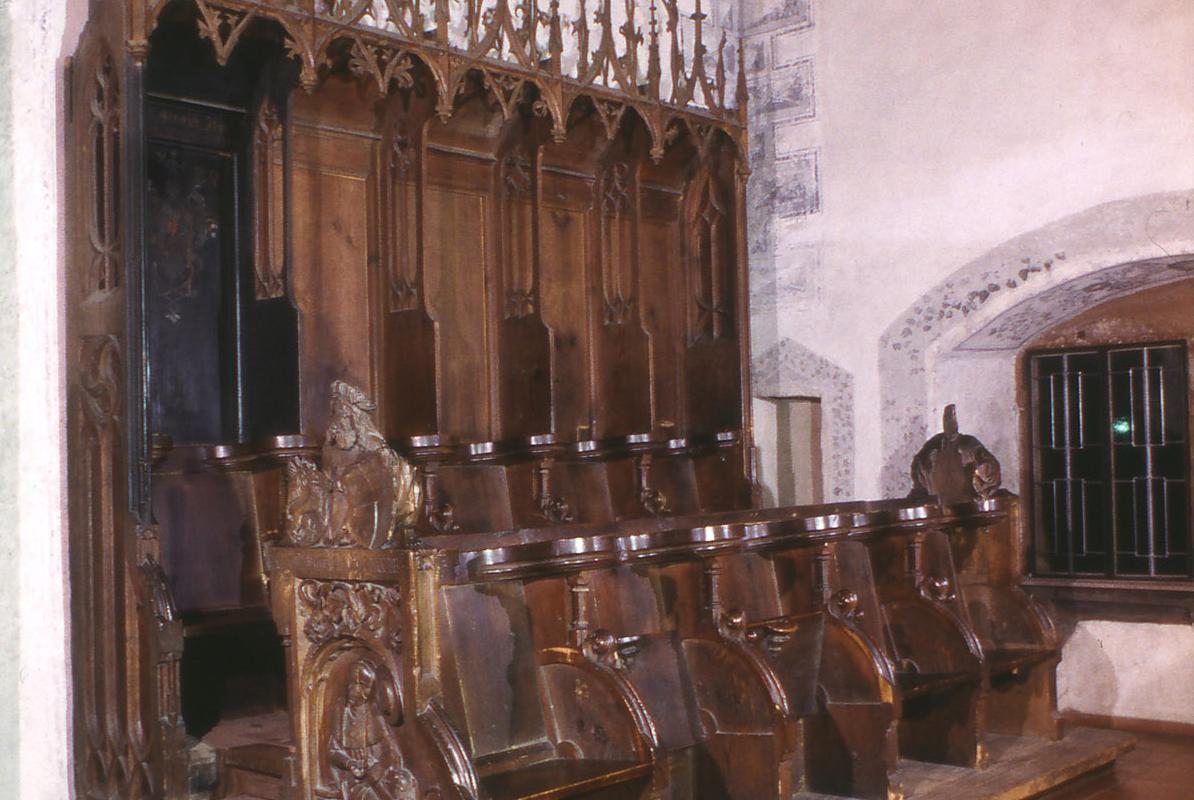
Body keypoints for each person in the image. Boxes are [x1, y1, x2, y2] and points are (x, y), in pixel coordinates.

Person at [319, 660, 417, 800]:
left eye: (363, 686)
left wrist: (379, 767)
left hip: (378, 775)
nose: (356, 690)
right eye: (353, 683)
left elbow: (391, 752)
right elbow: (333, 750)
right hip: (351, 780)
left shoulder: (374, 711)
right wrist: (350, 763)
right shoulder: (341, 710)